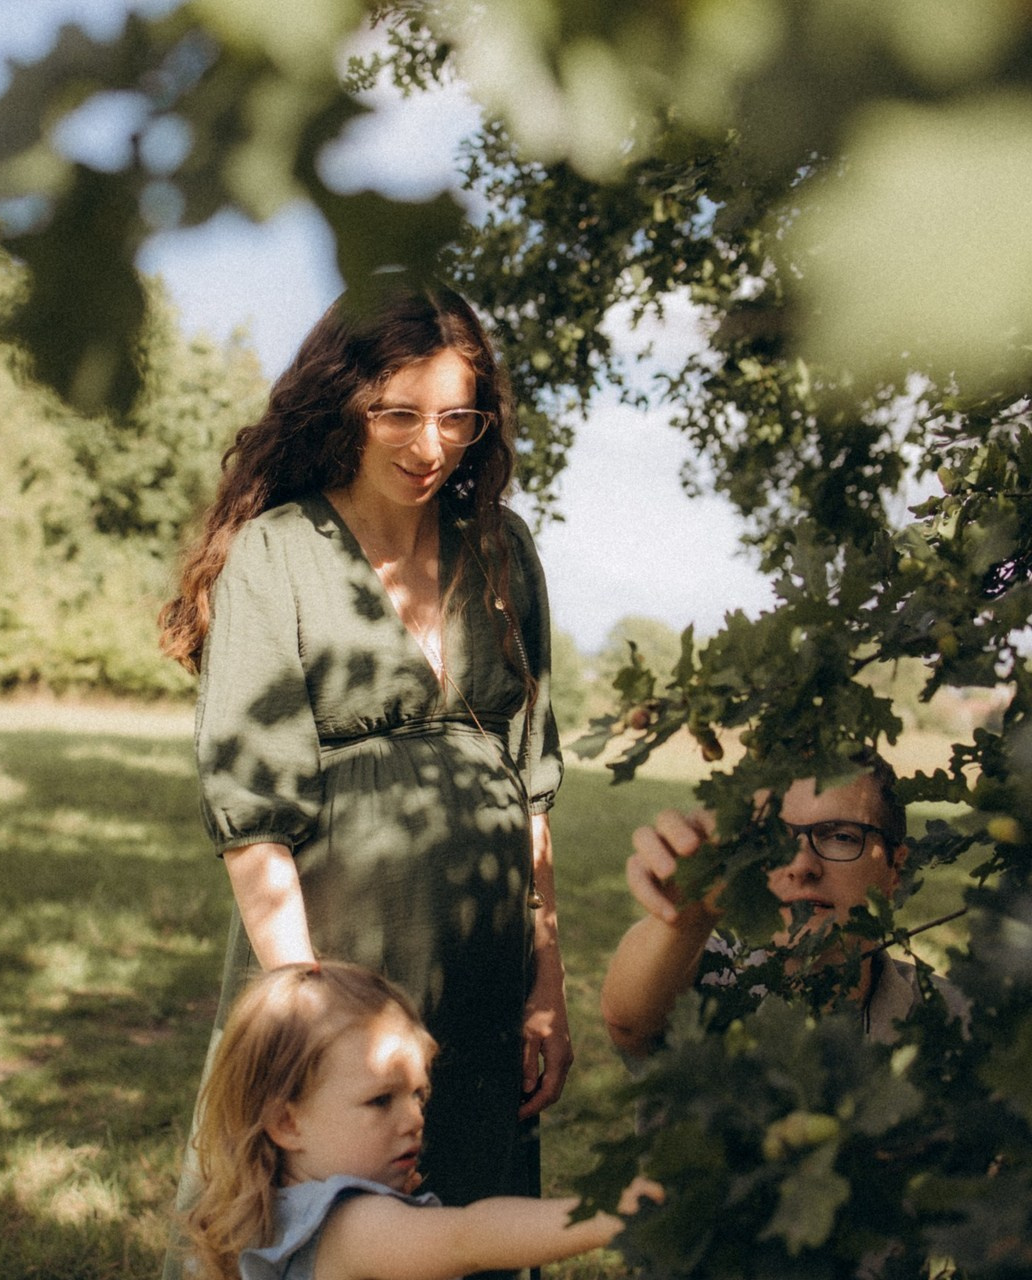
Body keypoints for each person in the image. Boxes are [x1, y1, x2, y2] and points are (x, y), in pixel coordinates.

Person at [159, 278, 569, 1244]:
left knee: (468, 1209)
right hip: (337, 952)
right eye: (401, 415)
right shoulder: (278, 552)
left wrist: (543, 986)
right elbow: (252, 815)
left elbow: (532, 787)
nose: (432, 448)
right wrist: (315, 1022)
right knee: (321, 1214)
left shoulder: (503, 552)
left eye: (458, 418)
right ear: (344, 402)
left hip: (481, 959)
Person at [185, 961, 659, 1280]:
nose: (414, 1118)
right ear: (287, 1123)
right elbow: (467, 1237)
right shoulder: (351, 1225)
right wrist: (610, 1214)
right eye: (380, 1101)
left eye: (418, 1094)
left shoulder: (284, 1212)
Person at [600, 757, 966, 1059]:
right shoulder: (699, 982)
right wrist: (680, 925)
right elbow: (630, 1021)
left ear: (895, 869)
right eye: (771, 838)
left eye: (840, 836)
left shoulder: (953, 1021)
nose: (801, 865)